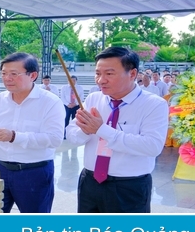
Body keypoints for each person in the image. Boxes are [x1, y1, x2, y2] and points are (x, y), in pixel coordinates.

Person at [66, 47, 168, 213]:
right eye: (98, 73)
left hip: (128, 186)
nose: (101, 80)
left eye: (109, 74)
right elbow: (71, 135)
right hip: (90, 182)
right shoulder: (94, 98)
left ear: (133, 74)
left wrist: (101, 129)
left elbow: (152, 146)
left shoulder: (154, 104)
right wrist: (84, 130)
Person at [0, 52, 65, 213]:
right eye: (3, 73)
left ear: (33, 75)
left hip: (33, 172)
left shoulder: (51, 102)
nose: (7, 78)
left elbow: (54, 139)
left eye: (14, 74)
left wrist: (14, 136)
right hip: (0, 167)